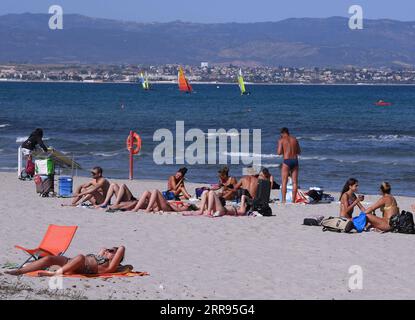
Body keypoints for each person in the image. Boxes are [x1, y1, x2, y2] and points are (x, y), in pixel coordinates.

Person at [5, 246, 126, 276]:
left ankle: (55, 274)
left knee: (80, 257)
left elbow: (122, 248)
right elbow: (102, 249)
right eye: (110, 250)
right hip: (70, 261)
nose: (108, 251)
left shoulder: (110, 266)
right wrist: (106, 251)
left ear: (117, 258)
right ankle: (19, 271)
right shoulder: (101, 257)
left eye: (112, 251)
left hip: (81, 265)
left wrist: (116, 252)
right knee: (48, 259)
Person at [277, 127, 301, 203]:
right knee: (295, 182)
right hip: (295, 161)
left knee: (284, 182)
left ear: (282, 133)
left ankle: (284, 200)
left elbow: (279, 152)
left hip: (287, 161)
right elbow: (299, 151)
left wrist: (284, 149)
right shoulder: (295, 139)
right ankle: (293, 201)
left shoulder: (281, 140)